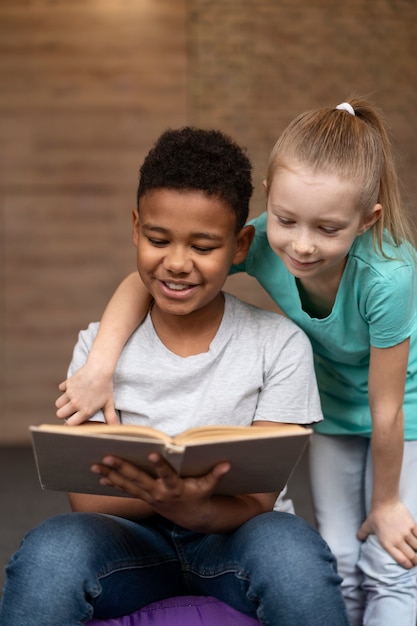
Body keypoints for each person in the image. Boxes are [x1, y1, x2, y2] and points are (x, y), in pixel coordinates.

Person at [55, 98, 417, 626]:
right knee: (339, 554)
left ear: (368, 220)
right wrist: (100, 366)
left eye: (328, 230)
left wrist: (386, 504)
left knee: (390, 555)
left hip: (402, 411)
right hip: (337, 406)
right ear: (271, 206)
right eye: (287, 220)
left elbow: (387, 408)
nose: (303, 246)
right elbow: (159, 277)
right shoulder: (265, 241)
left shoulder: (389, 276)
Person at [0, 127, 349, 626]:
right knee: (49, 552)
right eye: (157, 240)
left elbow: (257, 499)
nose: (177, 264)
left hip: (234, 540)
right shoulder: (100, 348)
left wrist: (194, 508)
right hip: (129, 547)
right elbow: (87, 498)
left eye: (203, 246)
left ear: (239, 244)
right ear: (136, 227)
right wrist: (165, 495)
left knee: (293, 552)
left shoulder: (279, 345)